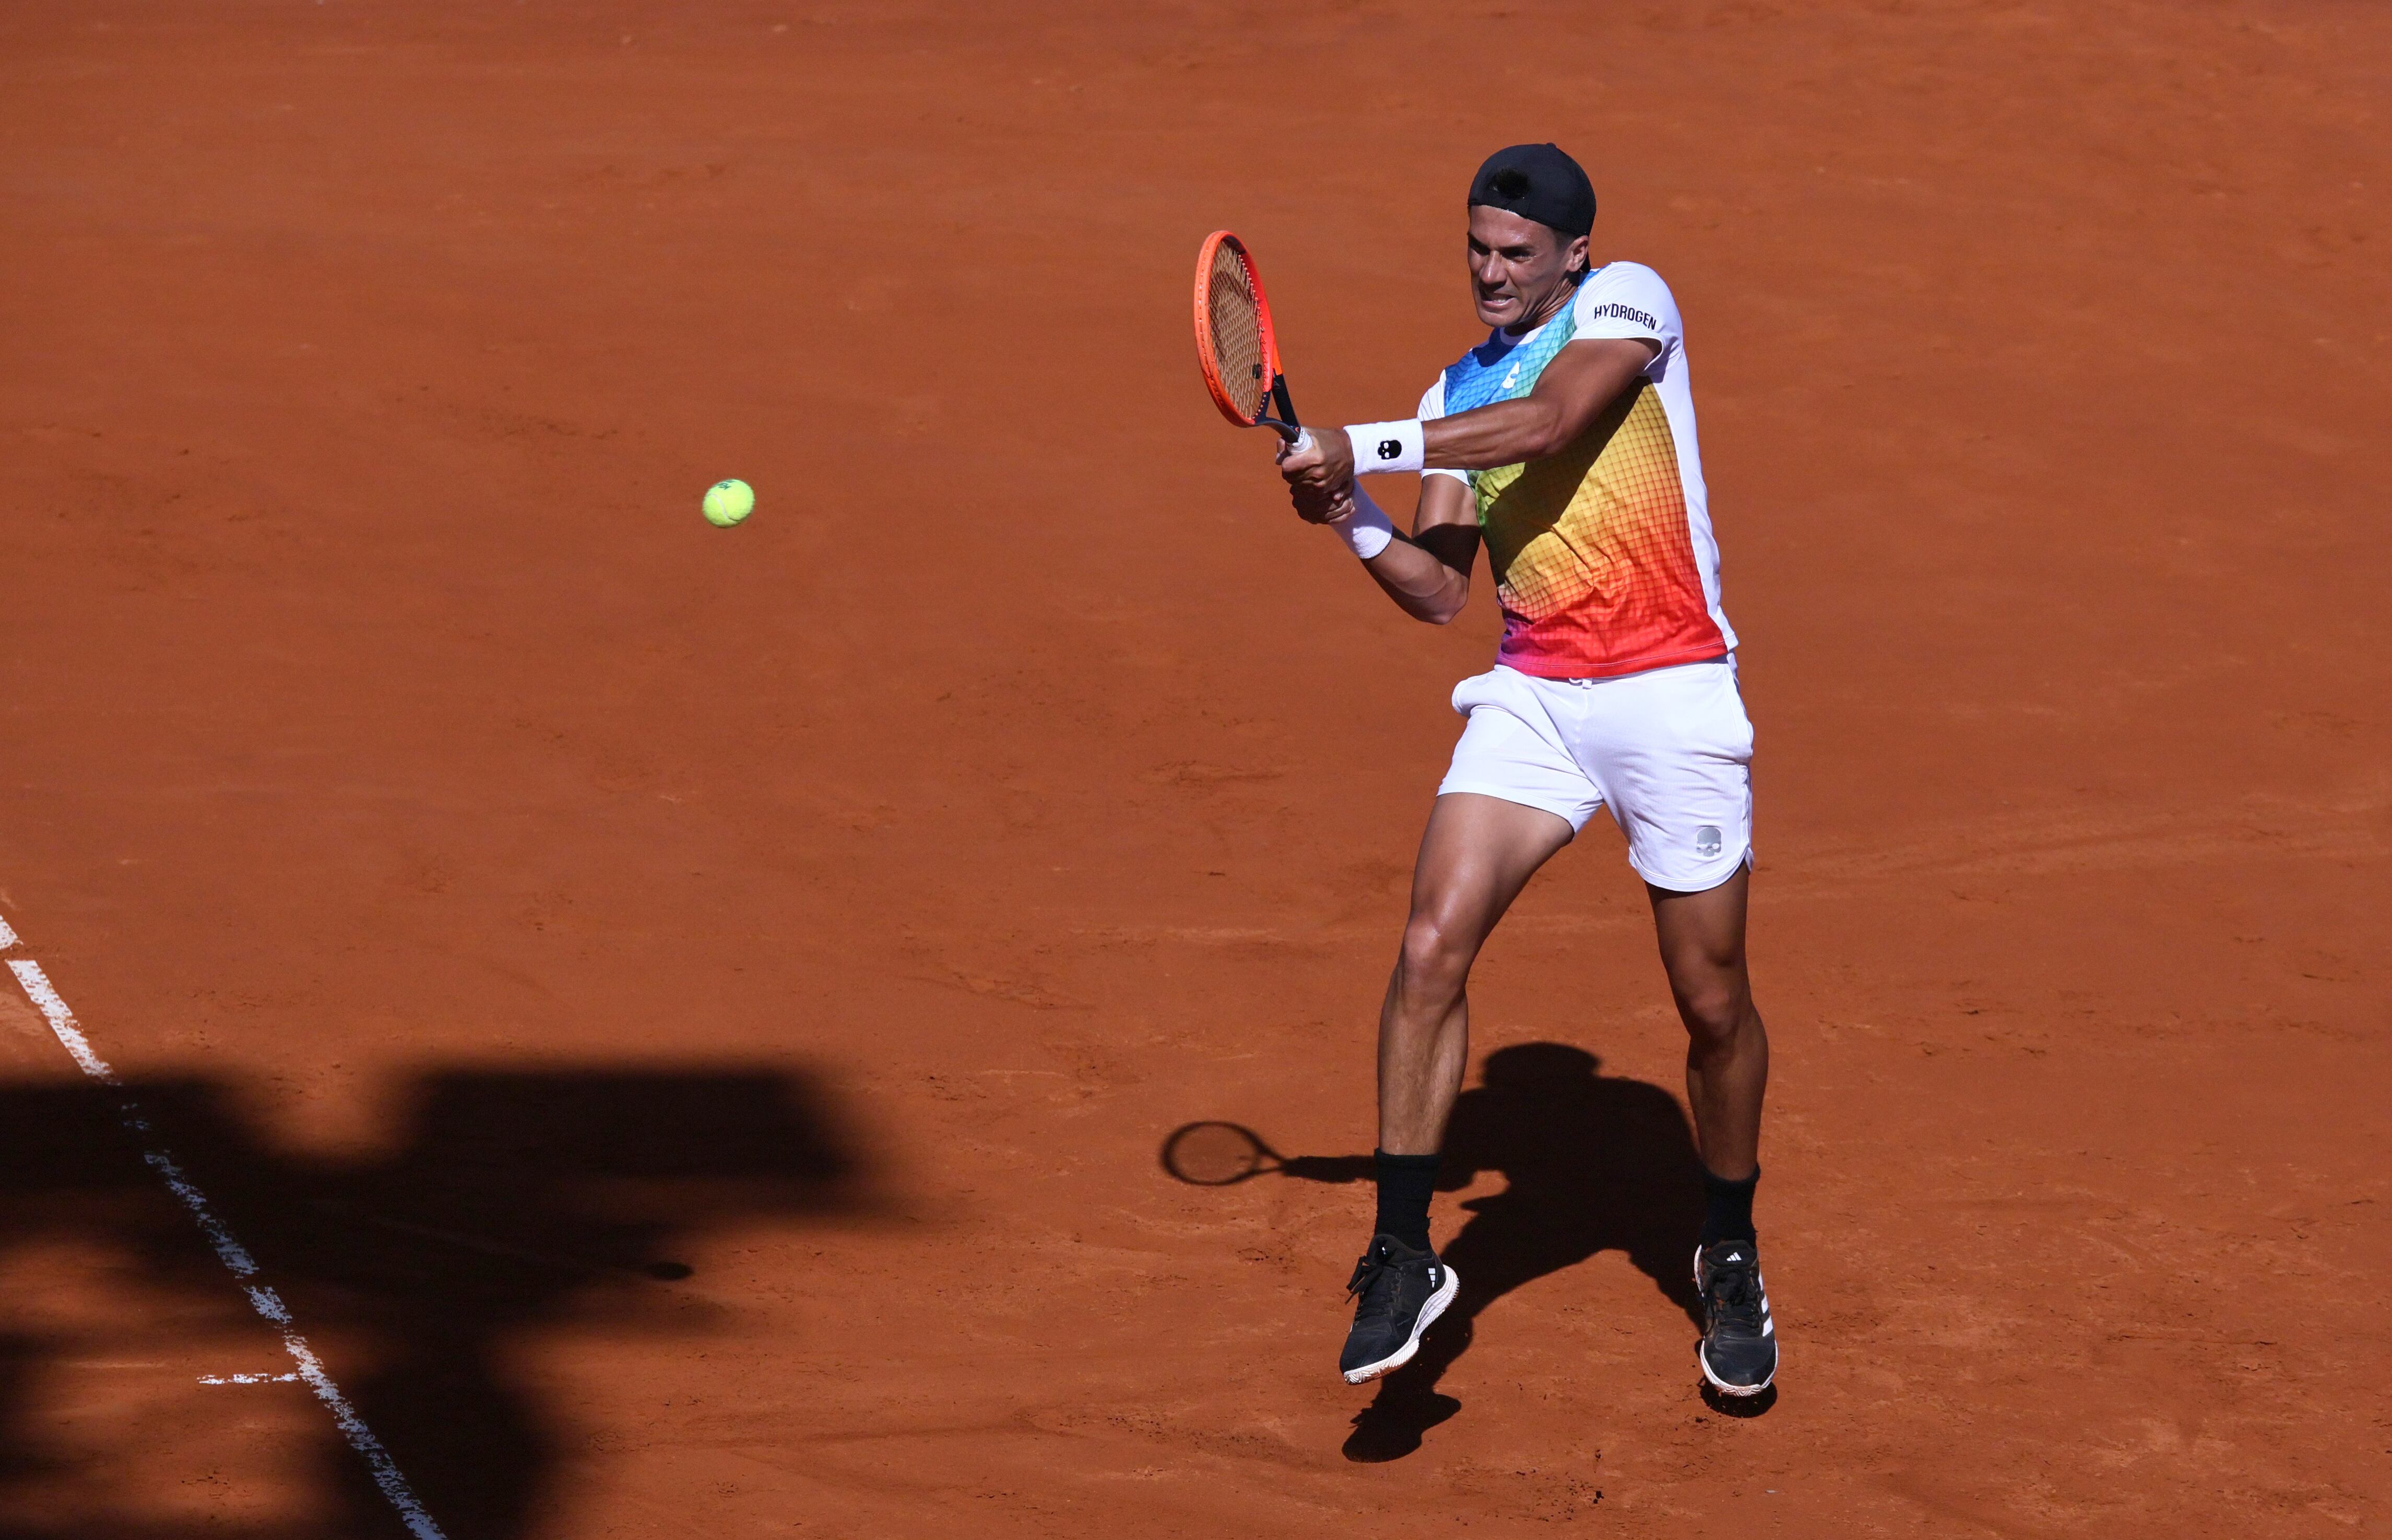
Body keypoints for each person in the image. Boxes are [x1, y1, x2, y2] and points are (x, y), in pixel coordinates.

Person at [1276, 143, 1777, 1398]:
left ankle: (1727, 1241)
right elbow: (1440, 588)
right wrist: (1349, 515)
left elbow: (1551, 420)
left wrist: (1362, 440)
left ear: (1573, 254)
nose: (1490, 273)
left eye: (1514, 253)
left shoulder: (1630, 304)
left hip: (1669, 691)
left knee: (1709, 1001)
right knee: (1430, 940)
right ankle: (1401, 1248)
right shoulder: (1453, 388)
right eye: (1475, 249)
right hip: (1536, 697)